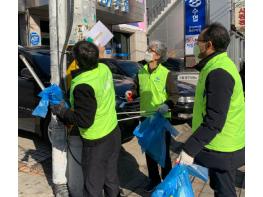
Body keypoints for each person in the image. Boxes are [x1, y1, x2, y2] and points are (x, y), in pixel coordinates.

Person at [176, 23, 245, 197]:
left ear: (209, 45)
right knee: (220, 188)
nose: (196, 44)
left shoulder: (219, 72)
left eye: (198, 41)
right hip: (218, 142)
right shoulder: (215, 66)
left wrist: (189, 149)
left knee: (225, 191)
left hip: (222, 145)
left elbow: (215, 120)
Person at [51, 40, 121, 197]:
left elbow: (84, 120)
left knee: (92, 187)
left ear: (76, 61)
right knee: (111, 179)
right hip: (113, 132)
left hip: (97, 142)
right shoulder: (104, 68)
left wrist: (61, 111)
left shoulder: (83, 85)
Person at [126, 40, 179, 192]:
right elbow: (136, 89)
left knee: (163, 153)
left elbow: (174, 95)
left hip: (161, 119)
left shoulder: (166, 73)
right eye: (148, 49)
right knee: (149, 151)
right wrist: (131, 94)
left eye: (152, 50)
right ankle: (154, 180)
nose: (148, 51)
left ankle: (166, 182)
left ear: (159, 55)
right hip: (145, 118)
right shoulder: (141, 71)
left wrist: (167, 105)